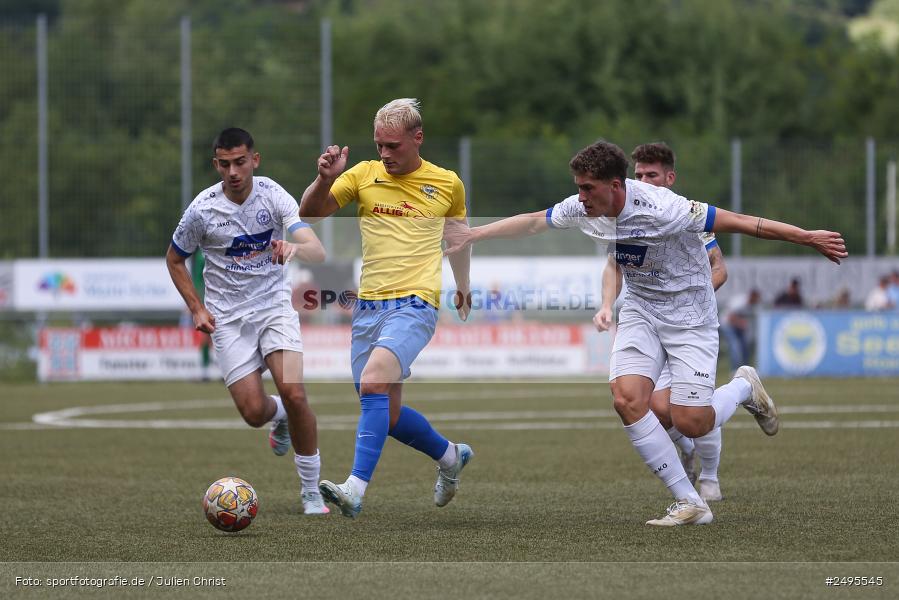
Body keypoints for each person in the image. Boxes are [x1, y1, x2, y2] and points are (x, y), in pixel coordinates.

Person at [445, 140, 846, 526]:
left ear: (615, 186)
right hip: (640, 309)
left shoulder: (665, 208)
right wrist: (473, 235)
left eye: (588, 189)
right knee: (627, 399)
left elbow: (742, 223)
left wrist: (807, 236)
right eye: (579, 188)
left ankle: (742, 388)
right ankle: (690, 501)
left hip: (690, 315)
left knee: (691, 421)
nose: (581, 197)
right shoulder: (585, 208)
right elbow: (535, 221)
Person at [299, 98, 474, 519]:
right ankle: (449, 456)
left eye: (393, 145)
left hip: (415, 304)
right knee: (386, 412)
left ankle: (355, 489)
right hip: (369, 307)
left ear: (418, 138)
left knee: (374, 384)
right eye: (379, 145)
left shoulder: (446, 183)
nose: (384, 154)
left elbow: (458, 238)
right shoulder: (362, 174)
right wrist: (324, 180)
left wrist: (463, 287)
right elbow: (309, 212)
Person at [166, 127, 330, 515]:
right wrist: (196, 307)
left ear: (254, 160)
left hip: (276, 309)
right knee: (254, 413)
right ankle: (279, 419)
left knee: (295, 393)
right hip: (227, 321)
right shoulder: (202, 210)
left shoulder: (274, 196)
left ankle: (310, 491)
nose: (233, 171)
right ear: (216, 165)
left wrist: (295, 245)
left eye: (240, 162)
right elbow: (175, 259)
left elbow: (318, 251)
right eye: (225, 164)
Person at [593, 142, 748, 504]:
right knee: (652, 409)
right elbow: (615, 266)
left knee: (686, 411)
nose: (644, 180)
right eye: (639, 174)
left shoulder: (686, 215)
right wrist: (606, 306)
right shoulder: (624, 217)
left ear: (670, 177)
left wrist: (685, 302)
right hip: (647, 322)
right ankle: (688, 461)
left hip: (687, 323)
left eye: (652, 174)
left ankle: (710, 474)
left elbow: (719, 268)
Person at [720, 288, 762, 369]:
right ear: (752, 297)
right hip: (727, 324)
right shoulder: (740, 302)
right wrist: (741, 323)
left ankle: (746, 369)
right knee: (735, 345)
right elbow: (730, 318)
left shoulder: (754, 306)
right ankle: (734, 370)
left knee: (745, 347)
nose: (758, 301)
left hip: (738, 327)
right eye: (757, 298)